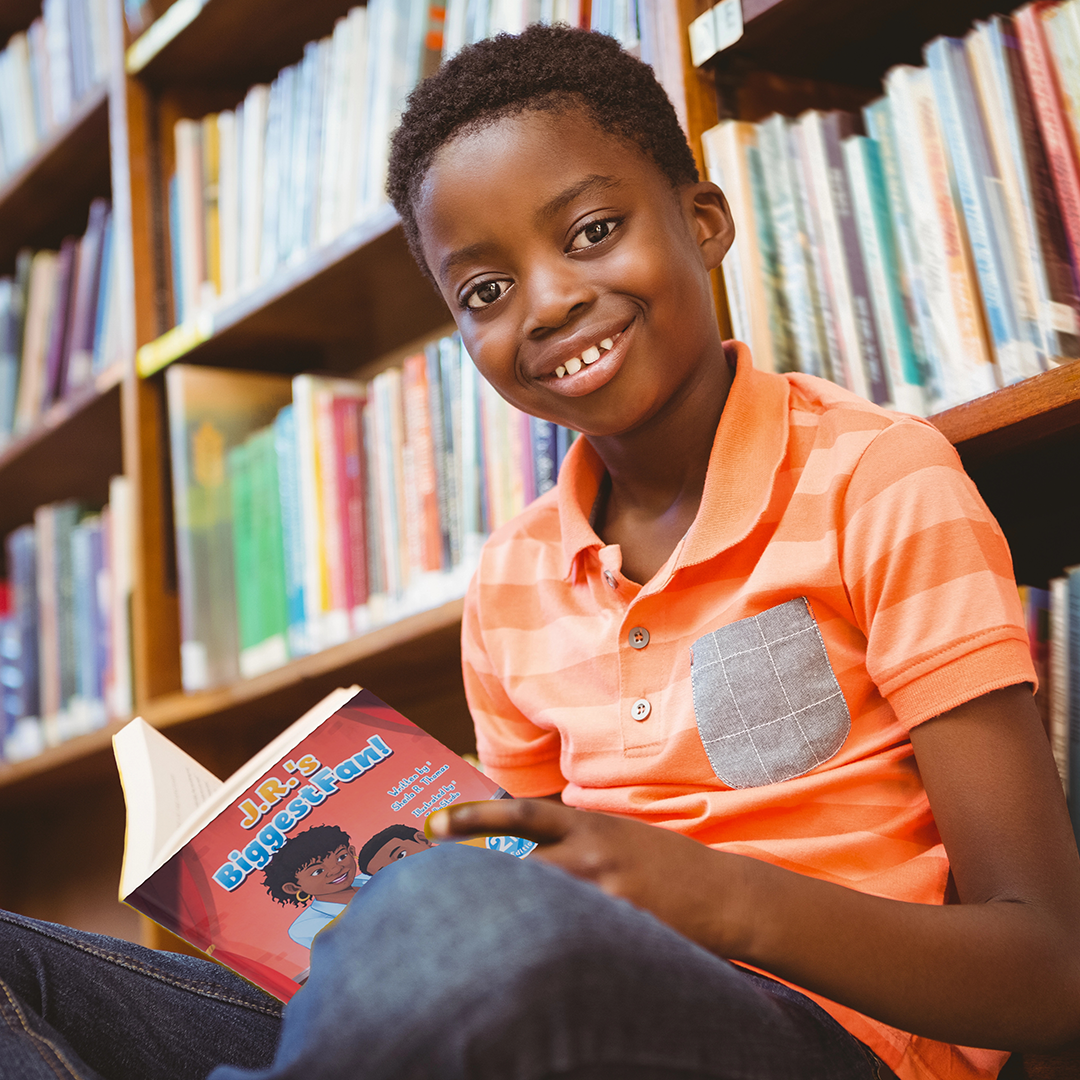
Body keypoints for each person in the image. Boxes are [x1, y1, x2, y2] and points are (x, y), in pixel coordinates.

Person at [1, 23, 1078, 1080]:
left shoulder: (880, 480)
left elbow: (1049, 969)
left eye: (594, 231)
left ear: (704, 219)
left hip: (836, 1041)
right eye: (484, 291)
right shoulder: (512, 583)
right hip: (555, 1012)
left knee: (453, 912)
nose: (551, 300)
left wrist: (710, 894)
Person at [261, 825, 370, 950]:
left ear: (351, 852)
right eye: (318, 871)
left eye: (341, 857)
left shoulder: (373, 876)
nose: (336, 869)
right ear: (293, 887)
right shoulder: (304, 927)